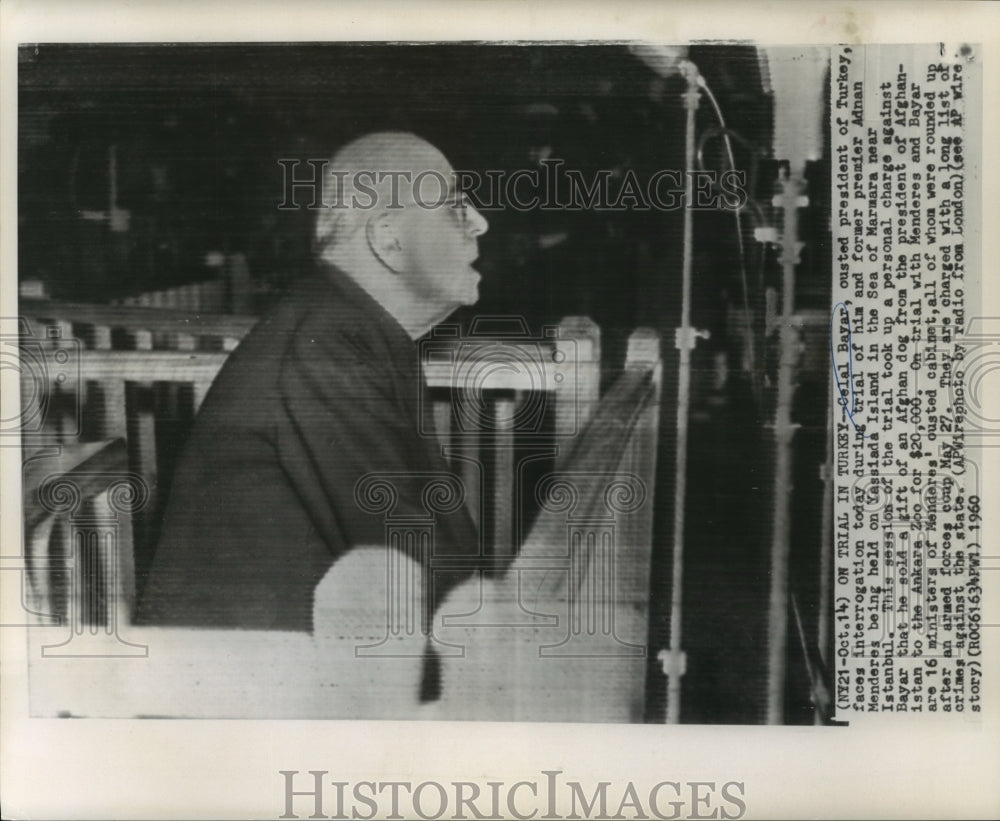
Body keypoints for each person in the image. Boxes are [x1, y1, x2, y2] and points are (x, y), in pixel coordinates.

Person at [135, 132, 489, 635]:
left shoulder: (347, 328)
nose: (479, 222)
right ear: (390, 238)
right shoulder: (327, 343)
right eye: (455, 207)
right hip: (236, 693)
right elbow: (416, 560)